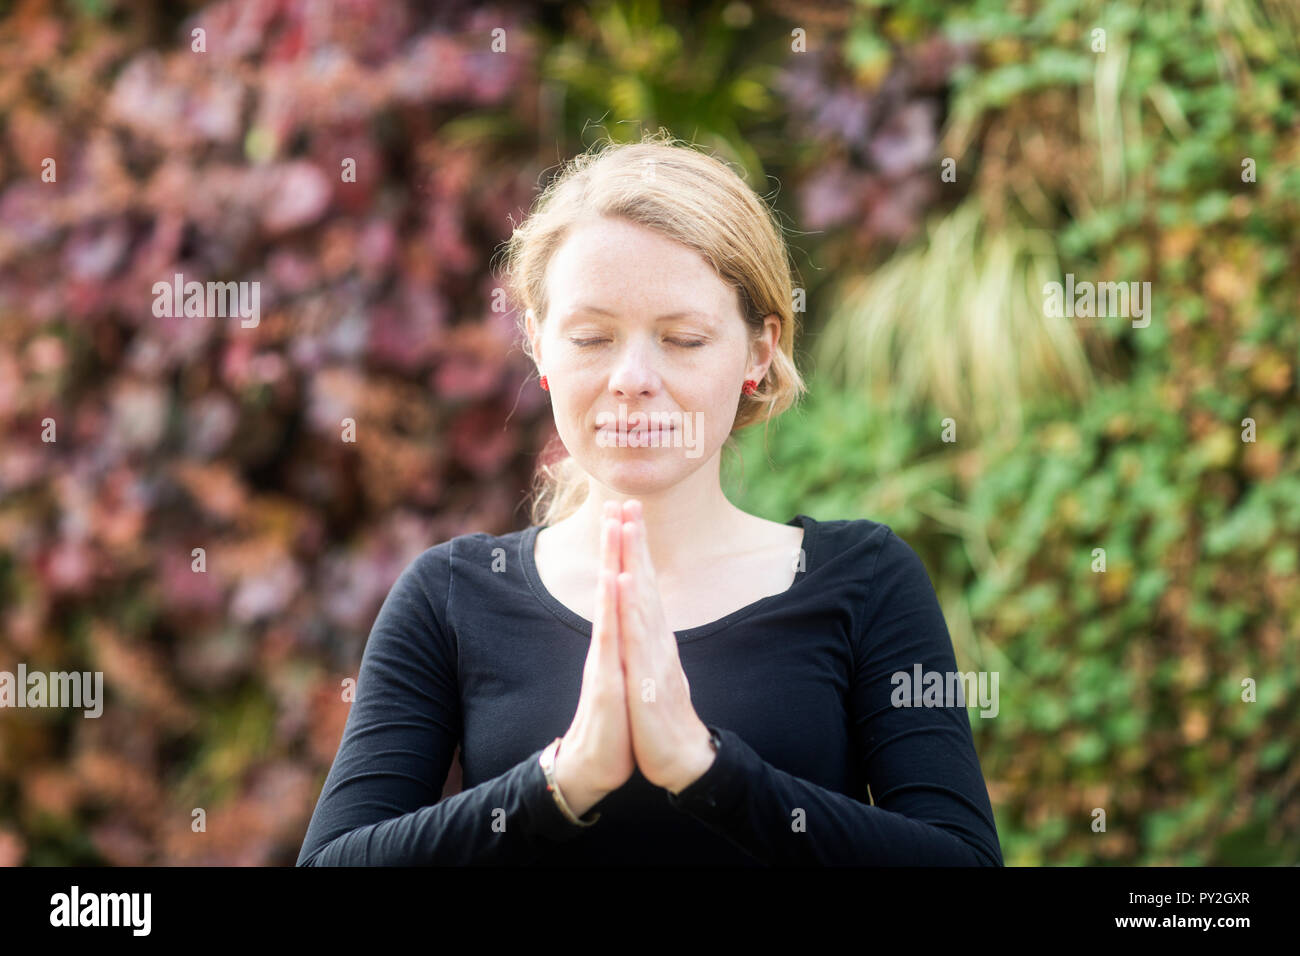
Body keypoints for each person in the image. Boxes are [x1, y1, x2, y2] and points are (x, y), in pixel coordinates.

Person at [296, 131, 1003, 866]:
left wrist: (710, 773)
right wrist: (560, 783)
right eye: (593, 337)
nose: (633, 376)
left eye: (685, 339)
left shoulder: (866, 580)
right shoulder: (450, 596)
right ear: (539, 345)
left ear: (758, 351)